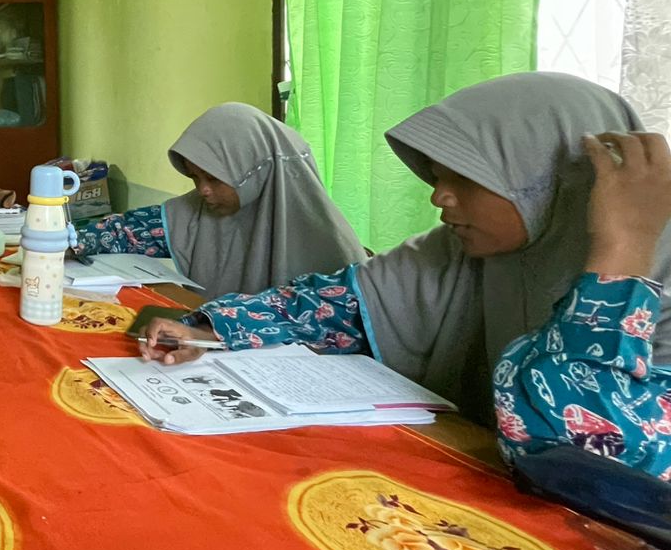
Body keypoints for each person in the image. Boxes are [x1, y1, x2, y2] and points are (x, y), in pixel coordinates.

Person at [140, 74, 671, 477]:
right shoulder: (467, 253)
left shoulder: (650, 276)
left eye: (464, 180)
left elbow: (578, 459)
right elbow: (339, 304)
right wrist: (210, 332)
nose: (439, 197)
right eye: (439, 178)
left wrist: (621, 255)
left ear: (556, 183)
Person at [72, 103, 364, 298]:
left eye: (214, 179)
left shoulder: (333, 251)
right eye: (196, 179)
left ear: (255, 172)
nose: (203, 191)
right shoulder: (201, 213)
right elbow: (128, 231)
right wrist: (69, 241)